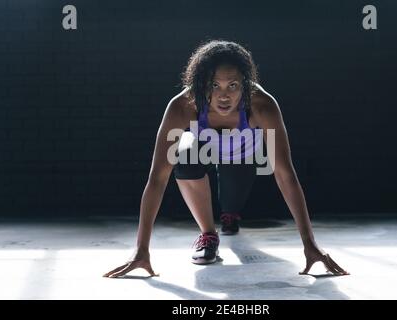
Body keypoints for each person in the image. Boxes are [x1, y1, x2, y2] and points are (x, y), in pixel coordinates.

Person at [104, 40, 349, 277]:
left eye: (232, 85)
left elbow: (285, 174)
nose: (224, 96)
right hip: (203, 150)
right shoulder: (183, 106)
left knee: (230, 207)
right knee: (184, 155)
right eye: (214, 85)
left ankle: (230, 214)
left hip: (242, 156)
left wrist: (309, 243)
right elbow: (157, 178)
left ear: (245, 85)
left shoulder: (262, 105)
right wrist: (141, 249)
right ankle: (209, 234)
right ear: (201, 84)